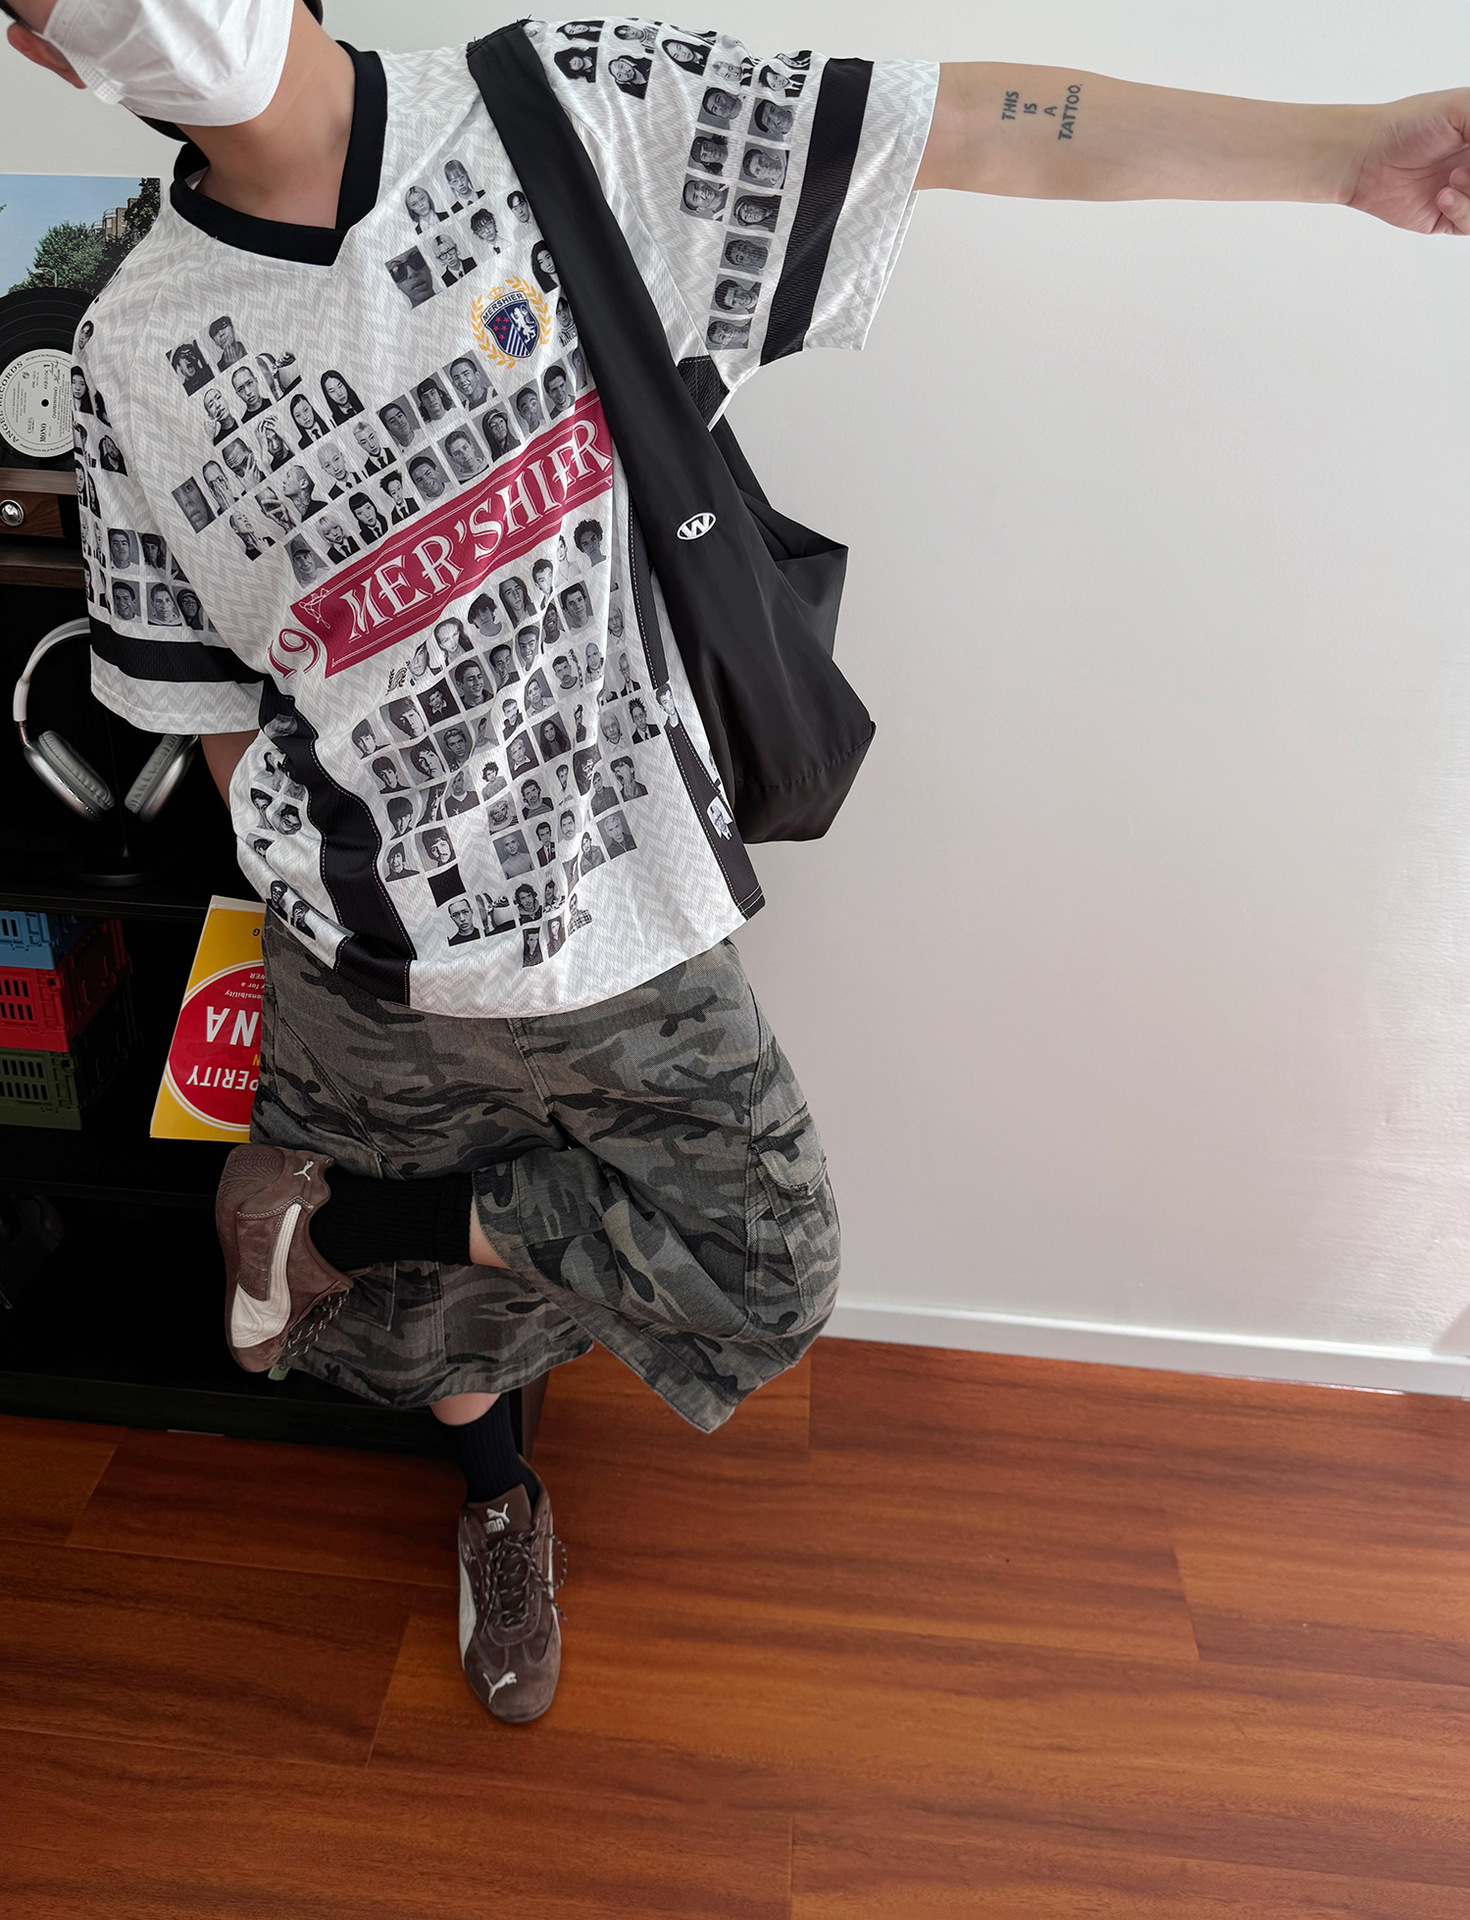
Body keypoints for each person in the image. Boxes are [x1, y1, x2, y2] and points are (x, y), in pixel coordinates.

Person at [36, 0, 1465, 1743]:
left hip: (631, 928)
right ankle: (496, 1497)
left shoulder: (567, 110)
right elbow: (198, 697)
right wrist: (329, 881)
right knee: (426, 1332)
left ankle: (357, 1228)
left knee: (765, 1270)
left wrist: (1346, 149)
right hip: (369, 958)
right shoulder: (128, 343)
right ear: (42, 51)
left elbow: (974, 125)